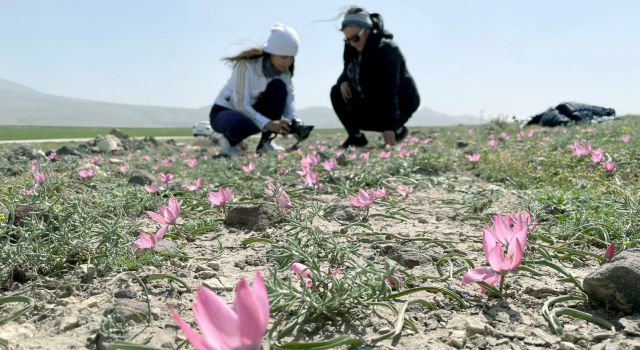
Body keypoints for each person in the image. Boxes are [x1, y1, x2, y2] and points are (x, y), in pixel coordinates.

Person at [210, 23, 306, 156]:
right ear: (271, 53)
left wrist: (291, 123)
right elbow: (240, 104)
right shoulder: (246, 65)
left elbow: (289, 104)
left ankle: (266, 143)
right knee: (243, 124)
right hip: (226, 111)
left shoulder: (284, 74)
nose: (287, 62)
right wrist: (268, 123)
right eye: (283, 57)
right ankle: (227, 141)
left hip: (253, 111)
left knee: (278, 88)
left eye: (291, 58)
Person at [331, 6, 420, 148]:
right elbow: (348, 69)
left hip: (399, 102)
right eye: (347, 40)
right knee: (336, 91)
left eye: (355, 38)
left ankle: (397, 129)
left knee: (389, 122)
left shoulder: (386, 49)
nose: (352, 43)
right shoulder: (351, 46)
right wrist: (343, 81)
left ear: (368, 30)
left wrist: (388, 126)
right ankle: (356, 138)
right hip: (372, 99)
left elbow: (390, 90)